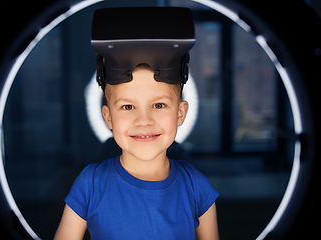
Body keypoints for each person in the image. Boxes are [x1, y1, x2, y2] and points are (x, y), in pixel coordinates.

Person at [54, 7, 219, 240]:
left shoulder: (196, 187)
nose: (144, 120)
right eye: (128, 107)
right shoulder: (90, 185)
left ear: (180, 114)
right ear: (108, 117)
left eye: (159, 105)